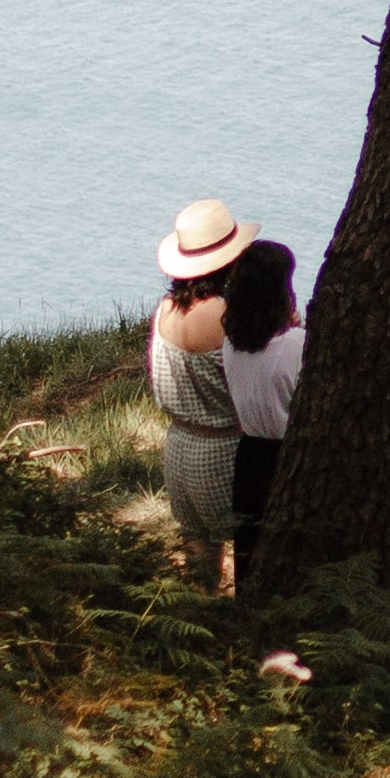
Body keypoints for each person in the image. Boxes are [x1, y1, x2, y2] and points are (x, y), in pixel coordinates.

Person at [147, 196, 253, 587]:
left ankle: (197, 622)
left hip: (179, 449)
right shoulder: (228, 317)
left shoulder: (165, 311)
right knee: (247, 549)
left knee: (199, 554)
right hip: (225, 453)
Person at [218, 240, 304, 571]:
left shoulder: (230, 343)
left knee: (249, 557)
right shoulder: (297, 344)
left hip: (248, 459)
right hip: (287, 459)